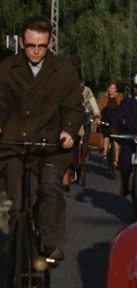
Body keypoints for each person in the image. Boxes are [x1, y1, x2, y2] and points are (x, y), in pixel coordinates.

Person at [0, 15, 84, 266]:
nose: (35, 51)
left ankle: (48, 243)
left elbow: (74, 107)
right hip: (15, 145)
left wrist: (68, 131)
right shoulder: (6, 69)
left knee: (50, 189)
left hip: (50, 147)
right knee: (16, 205)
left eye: (42, 46)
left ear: (50, 44)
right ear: (21, 43)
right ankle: (17, 253)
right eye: (30, 46)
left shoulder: (63, 70)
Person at [97, 80, 123, 165]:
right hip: (106, 119)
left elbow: (123, 108)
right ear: (107, 88)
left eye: (113, 88)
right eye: (110, 88)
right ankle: (104, 153)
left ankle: (116, 160)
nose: (112, 90)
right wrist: (97, 118)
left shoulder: (120, 97)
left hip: (116, 120)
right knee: (107, 135)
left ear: (116, 89)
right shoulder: (103, 97)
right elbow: (98, 109)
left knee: (116, 139)